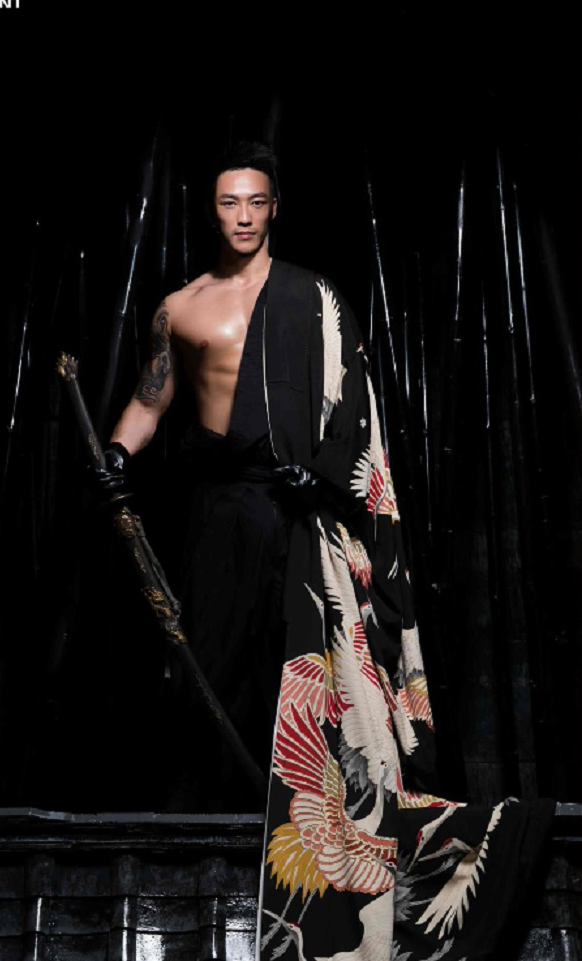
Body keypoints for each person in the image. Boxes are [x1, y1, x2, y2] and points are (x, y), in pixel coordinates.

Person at [96, 142, 554, 961]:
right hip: (219, 509)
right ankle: (203, 850)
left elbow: (353, 408)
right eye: (229, 202)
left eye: (256, 202)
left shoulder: (313, 297)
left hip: (302, 507)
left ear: (274, 208)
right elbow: (150, 398)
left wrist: (326, 476)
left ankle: (316, 843)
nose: (243, 216)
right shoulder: (180, 307)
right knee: (208, 668)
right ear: (213, 210)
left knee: (305, 674)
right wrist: (118, 455)